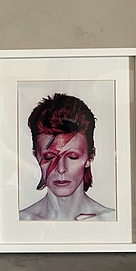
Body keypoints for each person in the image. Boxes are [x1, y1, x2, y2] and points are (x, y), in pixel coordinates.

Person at [19, 93, 115, 221]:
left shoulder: (111, 221)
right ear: (36, 155)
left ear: (90, 157)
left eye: (72, 157)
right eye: (49, 157)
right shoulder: (21, 221)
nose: (61, 169)